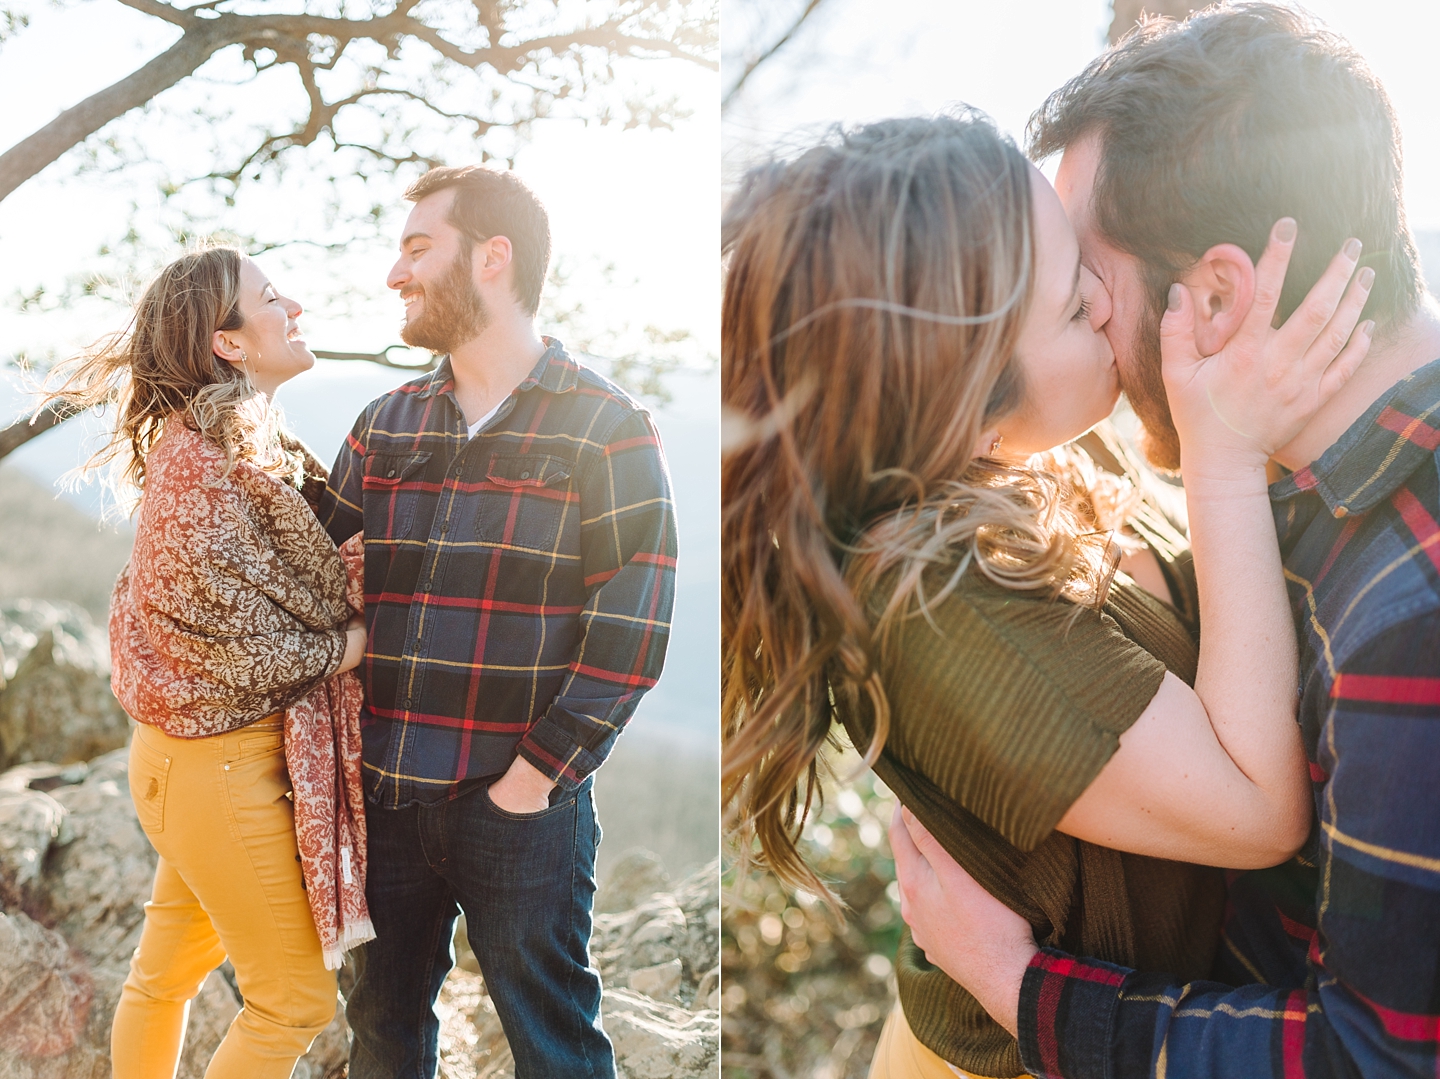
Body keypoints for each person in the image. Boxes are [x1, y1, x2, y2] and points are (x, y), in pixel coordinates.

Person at [721, 109, 1372, 1079]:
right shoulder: (939, 603)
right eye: (1074, 308)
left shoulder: (1059, 453)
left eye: (1085, 262)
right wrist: (1223, 457)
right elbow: (1256, 806)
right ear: (961, 411)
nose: (1113, 304)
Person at [889, 6, 1440, 1078]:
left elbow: (1376, 1062)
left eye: (1088, 296)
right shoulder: (1306, 482)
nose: (1083, 336)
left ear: (1222, 294)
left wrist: (1015, 983)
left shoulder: (1413, 609)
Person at [320, 165, 677, 1078]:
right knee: (384, 1037)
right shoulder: (381, 427)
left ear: (492, 256)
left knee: (554, 1045)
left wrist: (530, 783)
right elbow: (311, 585)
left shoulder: (607, 427)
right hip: (386, 799)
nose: (394, 275)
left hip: (522, 812)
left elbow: (632, 634)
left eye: (415, 248)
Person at [38, 245, 366, 1077]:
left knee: (162, 979)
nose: (293, 304)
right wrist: (347, 646)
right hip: (218, 770)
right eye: (269, 295)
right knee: (295, 1000)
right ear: (228, 341)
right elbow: (219, 640)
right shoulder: (199, 468)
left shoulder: (241, 441)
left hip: (194, 766)